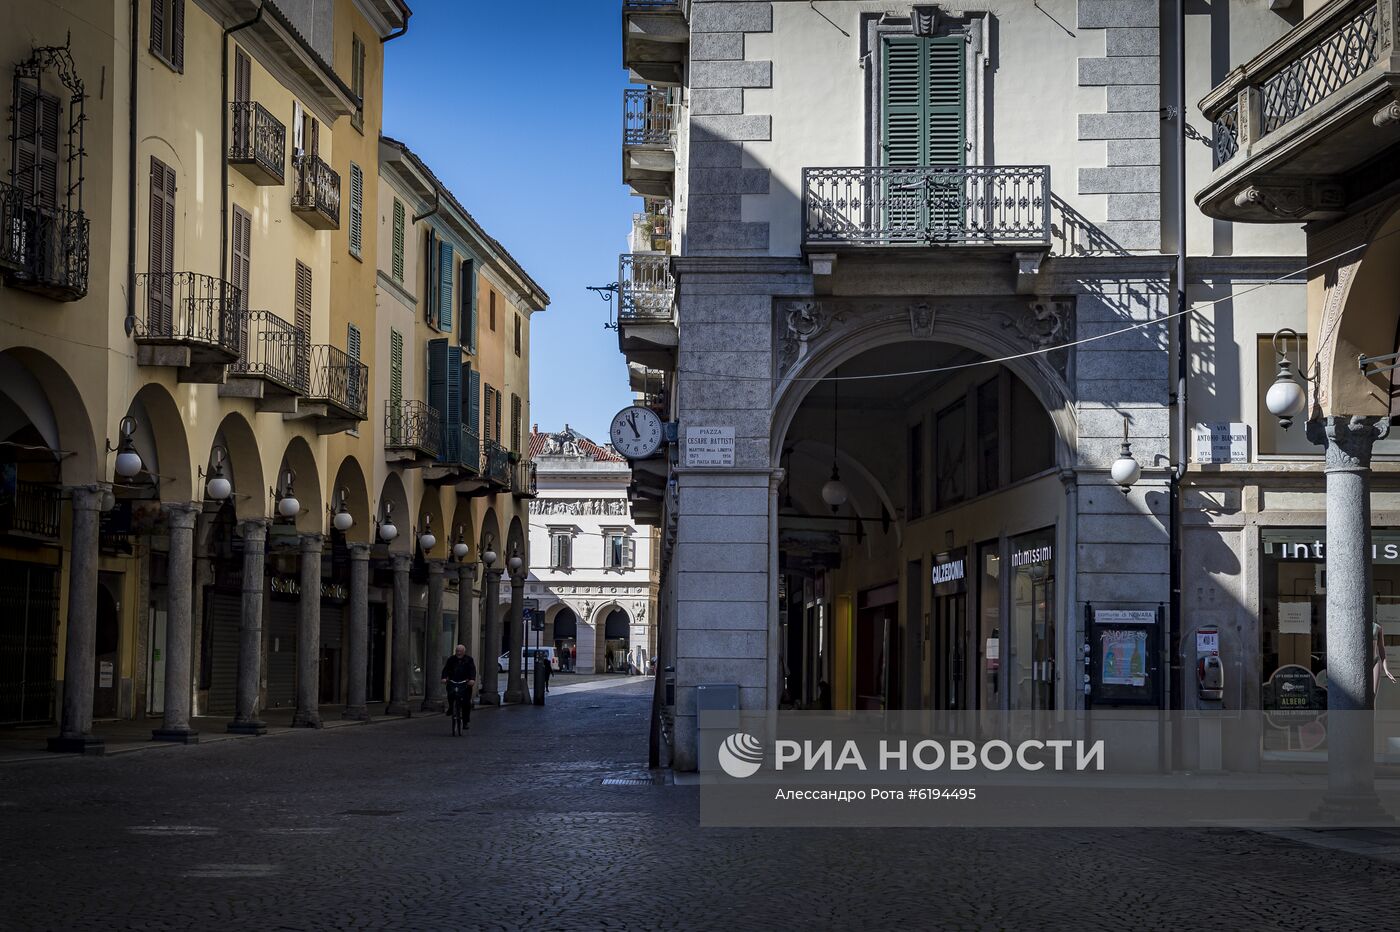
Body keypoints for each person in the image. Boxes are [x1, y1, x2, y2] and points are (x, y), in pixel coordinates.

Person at [441, 644, 477, 727]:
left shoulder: (469, 660)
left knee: (466, 703)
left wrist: (472, 679)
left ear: (464, 652)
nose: (458, 653)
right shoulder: (451, 659)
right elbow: (446, 669)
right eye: (457, 651)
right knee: (450, 694)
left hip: (465, 683)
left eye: (460, 651)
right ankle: (451, 707)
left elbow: (472, 670)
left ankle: (465, 722)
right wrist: (444, 678)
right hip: (453, 681)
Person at [1375, 622, 1396, 704]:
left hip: (1375, 662)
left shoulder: (1378, 627)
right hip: (1363, 663)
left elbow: (1381, 648)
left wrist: (1386, 670)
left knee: (1373, 696)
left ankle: (1371, 717)